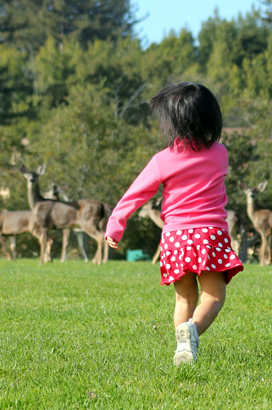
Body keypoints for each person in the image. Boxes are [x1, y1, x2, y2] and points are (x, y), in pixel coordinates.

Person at [105, 82, 244, 366]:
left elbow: (136, 193)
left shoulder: (162, 160)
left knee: (184, 300)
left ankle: (184, 349)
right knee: (214, 296)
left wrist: (115, 224)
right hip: (209, 235)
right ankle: (191, 333)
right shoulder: (220, 153)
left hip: (175, 238)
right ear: (210, 117)